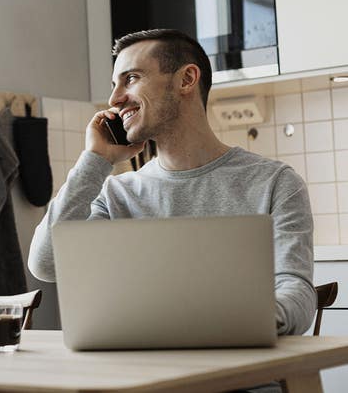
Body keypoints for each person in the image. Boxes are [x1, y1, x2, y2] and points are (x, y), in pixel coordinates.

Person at [28, 29, 316, 336]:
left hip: (242, 376)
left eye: (132, 78)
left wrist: (238, 321)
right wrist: (95, 159)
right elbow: (46, 264)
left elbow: (295, 291)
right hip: (140, 377)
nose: (114, 99)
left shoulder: (275, 183)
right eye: (114, 85)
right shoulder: (116, 194)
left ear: (187, 80)